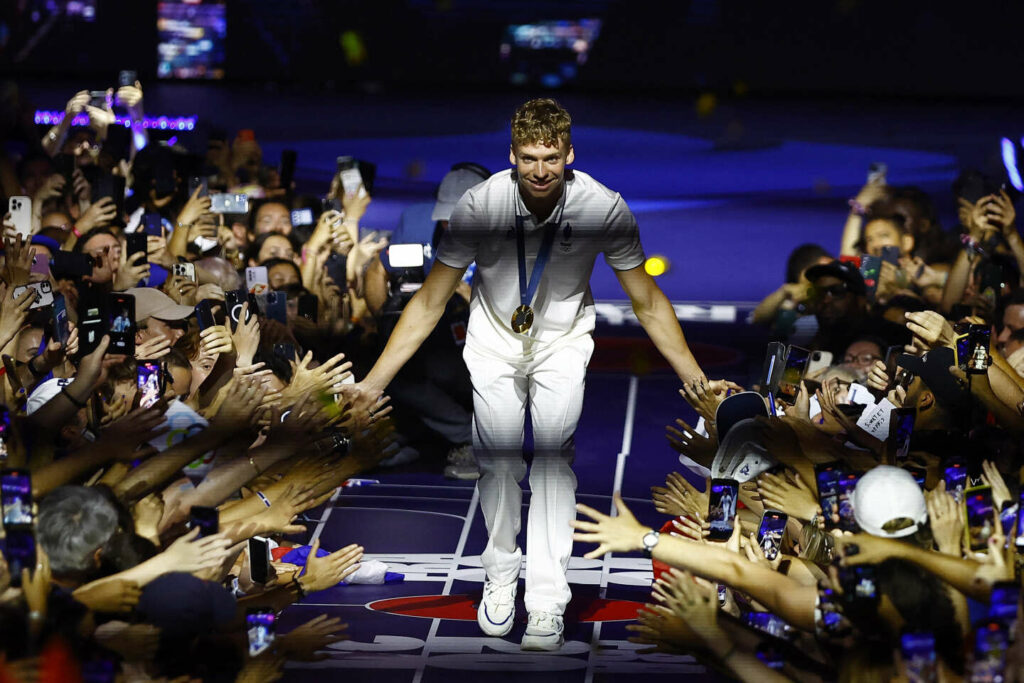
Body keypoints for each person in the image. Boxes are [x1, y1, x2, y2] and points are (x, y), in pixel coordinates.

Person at [347, 98, 717, 651]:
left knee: (550, 462)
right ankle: (500, 576)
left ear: (570, 154)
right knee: (495, 462)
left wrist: (696, 379)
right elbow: (428, 302)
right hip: (494, 342)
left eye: (550, 157)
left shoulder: (604, 207)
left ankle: (546, 600)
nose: (540, 169)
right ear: (512, 156)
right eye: (528, 158)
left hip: (563, 343)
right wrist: (371, 385)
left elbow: (648, 300)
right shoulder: (479, 206)